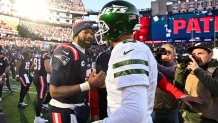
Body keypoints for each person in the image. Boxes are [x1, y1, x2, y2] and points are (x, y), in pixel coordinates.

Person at [93, 1, 158, 122]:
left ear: (116, 25)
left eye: (103, 24)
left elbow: (134, 112)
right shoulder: (136, 47)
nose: (101, 29)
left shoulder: (127, 49)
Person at [48, 19, 105, 123]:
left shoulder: (86, 55)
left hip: (79, 109)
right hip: (62, 110)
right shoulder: (66, 50)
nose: (90, 36)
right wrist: (88, 85)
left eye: (92, 33)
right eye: (86, 32)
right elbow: (54, 91)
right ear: (76, 33)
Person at [175, 43, 218, 122]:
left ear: (210, 55)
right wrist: (180, 69)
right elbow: (178, 86)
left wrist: (197, 70)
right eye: (194, 54)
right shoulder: (190, 69)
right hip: (187, 114)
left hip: (206, 118)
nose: (196, 56)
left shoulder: (215, 69)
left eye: (200, 53)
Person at [153, 43, 182, 123]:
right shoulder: (153, 66)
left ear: (174, 55)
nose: (166, 54)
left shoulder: (178, 67)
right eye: (163, 51)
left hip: (171, 108)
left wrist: (155, 64)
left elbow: (172, 73)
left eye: (169, 52)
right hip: (155, 107)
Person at [32, 42, 52, 123]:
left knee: (39, 96)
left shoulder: (36, 54)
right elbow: (48, 69)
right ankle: (37, 118)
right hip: (41, 78)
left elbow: (32, 67)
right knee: (40, 98)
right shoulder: (45, 55)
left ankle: (38, 114)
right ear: (46, 48)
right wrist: (55, 75)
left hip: (35, 76)